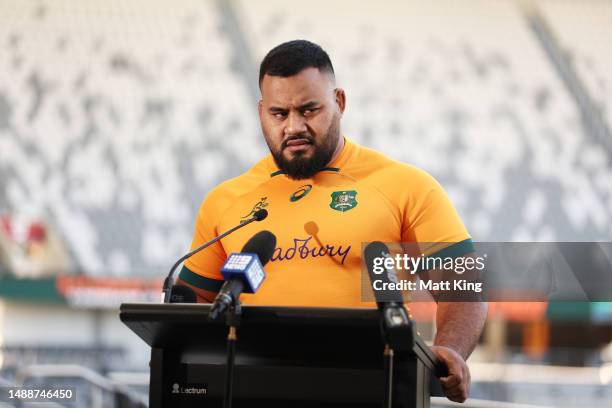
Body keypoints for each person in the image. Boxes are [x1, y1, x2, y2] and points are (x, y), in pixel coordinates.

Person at [177, 39, 487, 403]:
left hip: (372, 390)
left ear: (339, 102)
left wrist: (450, 348)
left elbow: (464, 285)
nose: (294, 126)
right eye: (279, 113)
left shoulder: (405, 186)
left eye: (309, 110)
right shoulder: (225, 201)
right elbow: (191, 300)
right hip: (252, 391)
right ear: (261, 112)